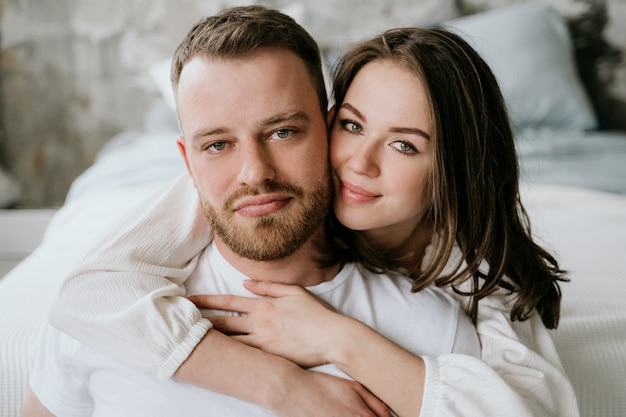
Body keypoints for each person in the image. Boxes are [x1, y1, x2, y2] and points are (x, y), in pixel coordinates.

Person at [34, 7, 579, 417]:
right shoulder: (114, 302)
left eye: (283, 131)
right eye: (354, 126)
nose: (254, 173)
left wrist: (341, 339)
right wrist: (282, 385)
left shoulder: (467, 306)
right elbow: (87, 293)